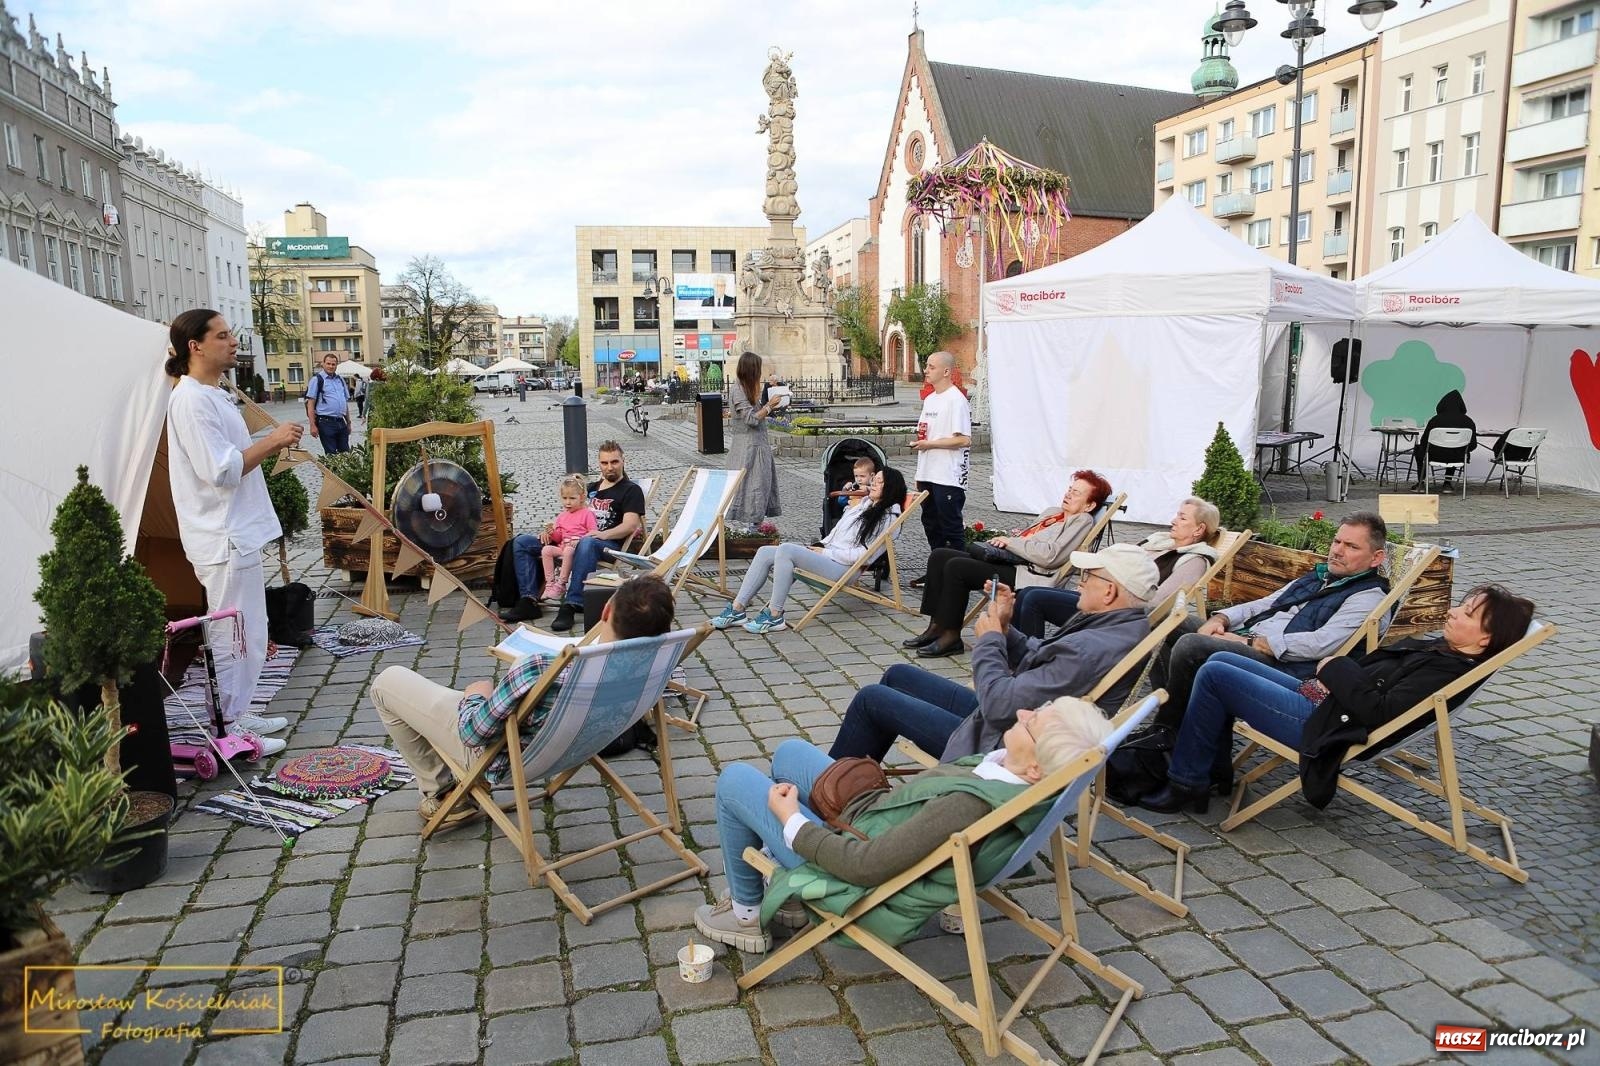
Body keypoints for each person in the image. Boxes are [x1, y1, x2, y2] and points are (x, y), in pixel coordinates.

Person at [694, 695, 1115, 953]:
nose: (1022, 711)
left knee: (735, 780)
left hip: (848, 871)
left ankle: (747, 915)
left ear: (1038, 769)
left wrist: (791, 822)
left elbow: (865, 867)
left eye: (1030, 722)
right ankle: (781, 899)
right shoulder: (1011, 778)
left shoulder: (968, 807)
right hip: (874, 817)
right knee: (790, 753)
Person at [1139, 585, 1534, 813]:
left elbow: (1377, 711)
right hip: (1321, 699)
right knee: (1220, 656)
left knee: (1215, 672)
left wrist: (1334, 668)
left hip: (1325, 725)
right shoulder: (1442, 652)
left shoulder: (1447, 670)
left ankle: (1187, 782)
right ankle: (1211, 769)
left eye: (1464, 614)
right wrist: (1335, 672)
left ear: (1485, 639)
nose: (1450, 613)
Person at [371, 576, 677, 829]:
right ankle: (448, 789)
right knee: (444, 698)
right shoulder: (654, 670)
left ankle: (445, 794)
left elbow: (473, 734)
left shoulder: (539, 668)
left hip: (503, 759)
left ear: (606, 611)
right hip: (577, 747)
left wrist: (475, 694)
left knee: (387, 681)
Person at [830, 544, 1159, 764]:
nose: (1080, 582)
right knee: (899, 676)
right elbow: (1043, 655)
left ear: (1110, 591)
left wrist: (989, 642)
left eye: (1088, 576)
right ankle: (858, 776)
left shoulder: (1090, 648)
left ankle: (824, 793)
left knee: (872, 699)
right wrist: (1005, 627)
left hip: (1001, 743)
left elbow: (1000, 707)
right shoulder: (1119, 626)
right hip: (1013, 715)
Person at [164, 309, 303, 755]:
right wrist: (274, 440)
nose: (233, 342)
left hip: (236, 531)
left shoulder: (213, 394)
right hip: (221, 535)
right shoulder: (191, 400)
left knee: (251, 627)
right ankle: (228, 722)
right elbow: (221, 471)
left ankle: (239, 709)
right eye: (223, 336)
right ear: (195, 346)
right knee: (232, 633)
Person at [1149, 512, 1390, 729]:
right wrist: (1221, 619)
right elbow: (1265, 604)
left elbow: (1323, 643)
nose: (1337, 550)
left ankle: (1167, 729)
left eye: (1351, 546)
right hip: (1248, 637)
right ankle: (1184, 718)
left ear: (1376, 558)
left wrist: (1252, 642)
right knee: (1163, 620)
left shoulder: (1367, 597)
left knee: (1192, 645)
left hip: (1283, 665)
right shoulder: (1320, 576)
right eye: (1337, 541)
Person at [904, 470, 1112, 659]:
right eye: (1069, 489)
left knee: (957, 567)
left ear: (1089, 505)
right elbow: (1026, 539)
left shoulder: (1081, 521)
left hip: (1029, 574)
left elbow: (1052, 556)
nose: (1068, 494)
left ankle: (951, 635)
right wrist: (1005, 542)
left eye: (1076, 493)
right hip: (1011, 562)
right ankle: (936, 626)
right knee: (940, 555)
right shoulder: (1052, 513)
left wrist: (1011, 542)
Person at [710, 467, 908, 634]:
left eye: (879, 482)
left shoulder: (888, 518)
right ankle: (737, 609)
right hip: (830, 558)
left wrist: (824, 553)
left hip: (844, 568)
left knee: (787, 550)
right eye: (874, 479)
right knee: (764, 551)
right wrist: (820, 547)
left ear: (890, 488)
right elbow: (835, 535)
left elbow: (861, 556)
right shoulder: (864, 505)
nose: (872, 483)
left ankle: (774, 615)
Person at [1012, 496, 1221, 639]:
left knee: (1033, 599)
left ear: (1199, 529)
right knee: (1024, 594)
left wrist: (1109, 594)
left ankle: (1029, 665)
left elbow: (1159, 603)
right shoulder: (1159, 542)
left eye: (1182, 517)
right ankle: (1020, 661)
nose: (1173, 520)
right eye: (1177, 514)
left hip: (1116, 614)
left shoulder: (1194, 561)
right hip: (1103, 597)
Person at [502, 441, 646, 630]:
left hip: (606, 545)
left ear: (623, 460)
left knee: (587, 542)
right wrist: (551, 531)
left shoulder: (631, 490)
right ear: (599, 463)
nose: (609, 467)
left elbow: (630, 525)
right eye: (604, 463)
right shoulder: (591, 489)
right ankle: (528, 600)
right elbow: (570, 513)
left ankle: (572, 604)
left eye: (614, 462)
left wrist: (601, 534)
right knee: (521, 542)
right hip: (569, 541)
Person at [909, 352, 972, 584]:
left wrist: (929, 444)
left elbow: (964, 439)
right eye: (926, 366)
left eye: (931, 366)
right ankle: (938, 569)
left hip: (948, 474)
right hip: (928, 472)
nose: (926, 370)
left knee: (950, 526)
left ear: (946, 371)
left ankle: (960, 575)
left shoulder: (956, 400)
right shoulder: (930, 399)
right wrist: (920, 470)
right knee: (931, 524)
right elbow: (926, 431)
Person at [726, 351, 782, 526]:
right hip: (748, 447)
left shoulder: (748, 388)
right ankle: (752, 527)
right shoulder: (738, 390)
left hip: (757, 445)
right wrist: (768, 406)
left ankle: (755, 525)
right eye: (758, 369)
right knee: (753, 486)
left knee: (760, 485)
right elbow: (751, 419)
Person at [538, 474, 600, 602]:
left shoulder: (587, 514)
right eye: (565, 498)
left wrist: (580, 540)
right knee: (546, 550)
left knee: (568, 551)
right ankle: (550, 584)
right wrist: (551, 532)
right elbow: (559, 536)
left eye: (572, 498)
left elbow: (594, 532)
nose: (568, 502)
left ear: (582, 497)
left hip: (577, 551)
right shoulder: (562, 516)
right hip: (563, 547)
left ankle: (561, 584)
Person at [1411, 389, 1476, 490]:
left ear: (1442, 404)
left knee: (1419, 449)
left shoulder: (1435, 420)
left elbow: (1424, 443)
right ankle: (1447, 484)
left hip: (1434, 455)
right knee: (1456, 449)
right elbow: (1473, 445)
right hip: (1457, 457)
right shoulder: (1468, 422)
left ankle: (1421, 483)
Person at [305, 352, 352, 454]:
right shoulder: (317, 380)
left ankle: (343, 470)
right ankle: (331, 470)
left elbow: (344, 403)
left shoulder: (340, 380)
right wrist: (312, 425)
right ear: (323, 364)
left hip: (340, 421)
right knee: (331, 453)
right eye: (328, 363)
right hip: (326, 422)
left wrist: (348, 422)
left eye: (333, 364)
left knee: (346, 453)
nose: (331, 366)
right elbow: (311, 404)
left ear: (336, 365)